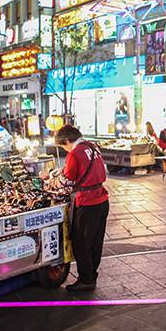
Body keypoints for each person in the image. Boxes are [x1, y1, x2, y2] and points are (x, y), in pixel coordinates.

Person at [44, 125, 108, 292]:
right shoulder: (92, 147)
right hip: (102, 199)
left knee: (81, 243)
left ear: (67, 140)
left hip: (87, 202)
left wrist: (50, 181)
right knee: (95, 242)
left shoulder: (75, 153)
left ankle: (86, 279)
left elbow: (68, 181)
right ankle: (91, 275)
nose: (64, 149)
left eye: (63, 146)